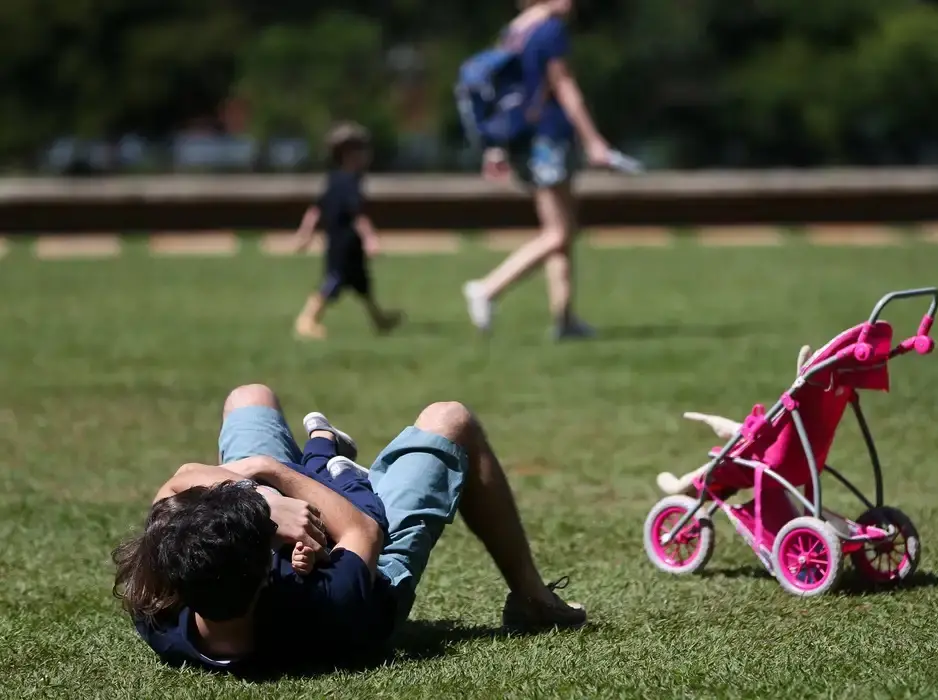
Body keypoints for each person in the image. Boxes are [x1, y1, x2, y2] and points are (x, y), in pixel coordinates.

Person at [112, 384, 585, 674]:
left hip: (257, 550)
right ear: (265, 571)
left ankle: (316, 461)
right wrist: (270, 475)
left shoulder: (159, 606)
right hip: (369, 561)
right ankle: (533, 600)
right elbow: (361, 530)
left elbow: (177, 482)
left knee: (249, 397)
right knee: (451, 418)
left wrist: (262, 499)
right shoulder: (327, 603)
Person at [461, 0, 615, 341]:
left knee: (560, 229)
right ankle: (487, 288)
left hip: (524, 140)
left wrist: (495, 147)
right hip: (549, 137)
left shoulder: (515, 30)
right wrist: (593, 141)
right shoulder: (550, 30)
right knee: (558, 233)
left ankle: (565, 319)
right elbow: (564, 85)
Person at [291, 123, 401, 340]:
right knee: (333, 282)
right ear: (349, 155)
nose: (367, 155)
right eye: (362, 151)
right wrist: (370, 239)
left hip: (344, 243)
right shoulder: (350, 182)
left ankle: (380, 320)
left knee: (362, 284)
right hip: (344, 243)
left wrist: (305, 234)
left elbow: (315, 209)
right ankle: (306, 319)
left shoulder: (334, 179)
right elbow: (357, 215)